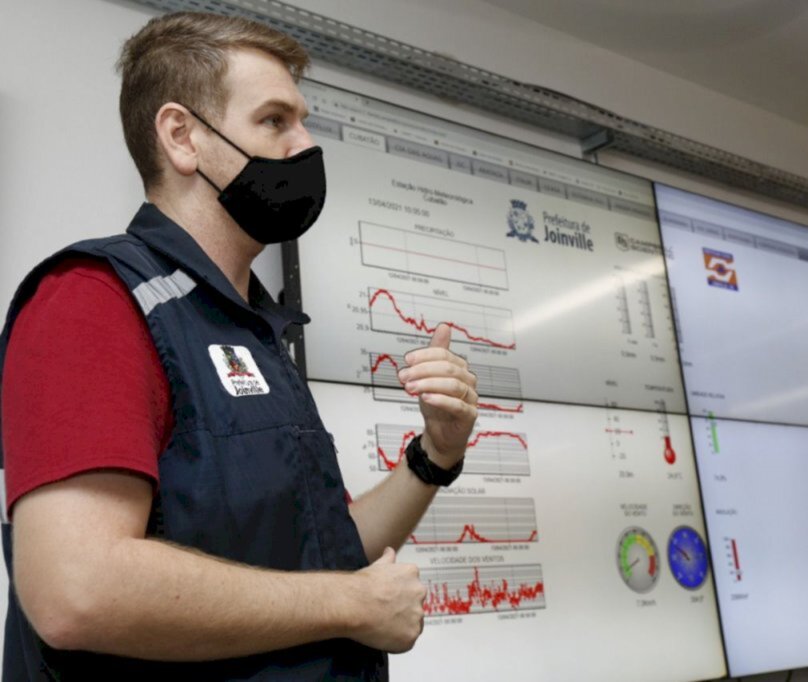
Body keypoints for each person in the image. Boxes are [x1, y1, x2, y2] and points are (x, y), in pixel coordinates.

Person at [0, 11, 478, 680]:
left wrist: (437, 454)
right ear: (182, 136)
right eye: (275, 121)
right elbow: (75, 591)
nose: (305, 145)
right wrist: (349, 603)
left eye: (302, 121)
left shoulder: (249, 324)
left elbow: (325, 548)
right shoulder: (93, 301)